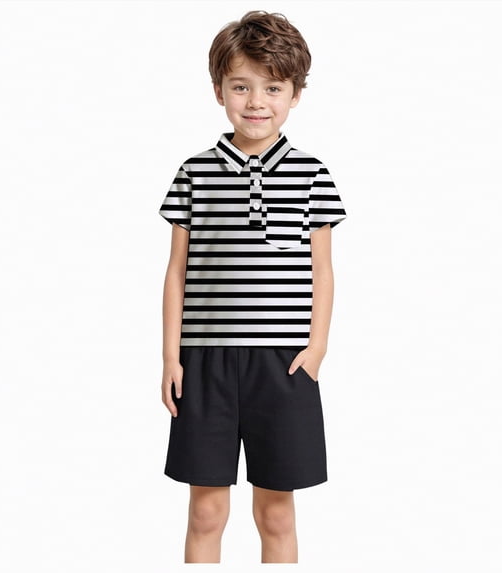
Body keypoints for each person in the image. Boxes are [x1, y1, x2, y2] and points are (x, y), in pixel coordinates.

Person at [158, 10, 347, 563]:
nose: (256, 101)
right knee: (206, 510)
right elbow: (176, 270)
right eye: (241, 86)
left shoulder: (312, 174)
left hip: (283, 363)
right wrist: (171, 357)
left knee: (276, 512)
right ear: (219, 91)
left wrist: (316, 348)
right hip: (205, 361)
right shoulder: (194, 173)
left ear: (295, 94)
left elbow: (322, 269)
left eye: (273, 88)